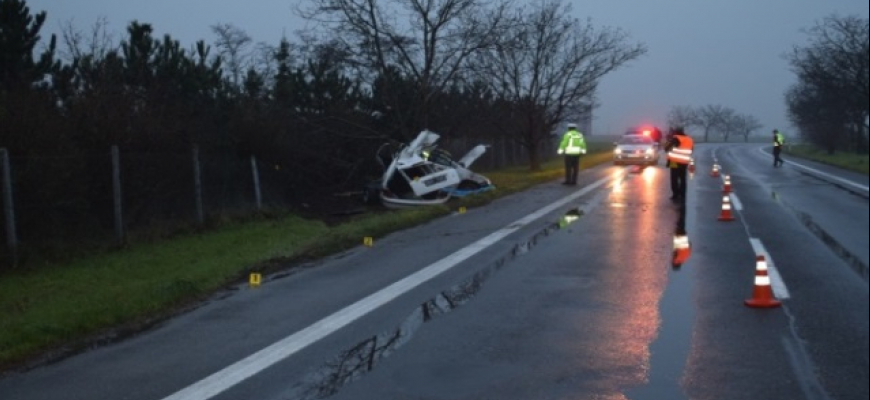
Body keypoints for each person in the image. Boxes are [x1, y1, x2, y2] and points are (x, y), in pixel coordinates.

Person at [664, 126, 694, 202]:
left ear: (675, 132)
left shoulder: (676, 138)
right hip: (684, 162)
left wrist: (668, 140)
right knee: (683, 179)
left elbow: (666, 148)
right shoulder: (689, 139)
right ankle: (683, 194)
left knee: (674, 179)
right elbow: (691, 149)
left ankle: (675, 194)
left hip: (674, 161)